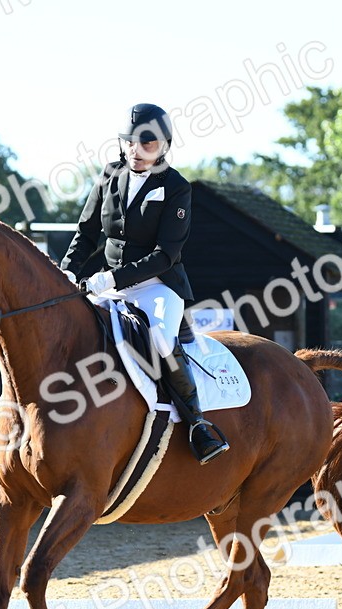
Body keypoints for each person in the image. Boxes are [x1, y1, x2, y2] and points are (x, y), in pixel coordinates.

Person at [58, 103, 229, 465]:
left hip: (157, 286)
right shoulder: (109, 174)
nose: (136, 151)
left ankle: (198, 423)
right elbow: (87, 233)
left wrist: (111, 278)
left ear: (164, 145)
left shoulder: (177, 188)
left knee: (162, 339)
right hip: (110, 284)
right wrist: (68, 271)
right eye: (130, 142)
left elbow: (166, 254)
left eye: (147, 144)